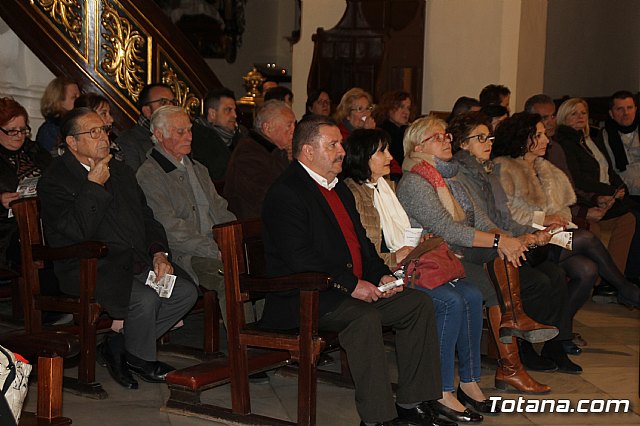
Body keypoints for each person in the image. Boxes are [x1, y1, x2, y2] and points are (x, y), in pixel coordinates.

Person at [260, 114, 452, 426]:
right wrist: (351, 284)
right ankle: (377, 418)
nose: (341, 151)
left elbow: (361, 244)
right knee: (365, 318)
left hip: (344, 287)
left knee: (417, 305)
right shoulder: (287, 193)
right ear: (308, 152)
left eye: (340, 144)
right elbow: (299, 258)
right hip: (308, 296)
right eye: (333, 145)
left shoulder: (338, 188)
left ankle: (412, 403)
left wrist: (381, 275)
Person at [396, 115, 571, 392]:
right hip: (439, 256)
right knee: (494, 282)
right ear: (417, 147)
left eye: (447, 136)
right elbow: (447, 230)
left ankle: (510, 354)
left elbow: (480, 218)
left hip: (462, 250)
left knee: (505, 258)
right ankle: (507, 363)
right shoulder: (416, 182)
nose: (446, 140)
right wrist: (499, 242)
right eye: (437, 137)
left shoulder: (449, 176)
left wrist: (504, 240)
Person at [37, 107, 198, 390]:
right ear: (72, 143)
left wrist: (159, 253)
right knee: (145, 300)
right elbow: (75, 232)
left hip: (135, 260)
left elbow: (147, 217)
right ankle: (143, 360)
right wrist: (93, 187)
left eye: (104, 130)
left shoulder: (120, 170)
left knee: (185, 292)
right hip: (90, 267)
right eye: (93, 132)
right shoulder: (54, 180)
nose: (103, 137)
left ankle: (119, 345)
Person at [342, 128, 490, 423]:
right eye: (381, 152)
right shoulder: (353, 192)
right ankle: (441, 390)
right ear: (362, 157)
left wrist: (415, 246)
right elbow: (362, 249)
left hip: (406, 263)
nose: (390, 157)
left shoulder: (387, 187)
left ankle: (469, 382)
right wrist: (392, 258)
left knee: (472, 293)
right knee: (449, 301)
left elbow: (401, 233)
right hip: (387, 270)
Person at [491, 112, 640, 313]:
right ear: (523, 138)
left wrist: (558, 222)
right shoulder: (504, 167)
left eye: (545, 134)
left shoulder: (546, 169)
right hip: (524, 237)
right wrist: (544, 220)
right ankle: (625, 288)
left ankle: (559, 335)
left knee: (587, 270)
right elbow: (508, 214)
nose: (546, 140)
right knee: (586, 238)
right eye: (539, 135)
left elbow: (563, 207)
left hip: (554, 236)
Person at [136, 105, 243, 327]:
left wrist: (236, 242)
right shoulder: (150, 174)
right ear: (159, 135)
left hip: (215, 247)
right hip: (184, 254)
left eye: (189, 130)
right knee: (231, 279)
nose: (189, 137)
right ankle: (244, 343)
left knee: (256, 268)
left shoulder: (199, 169)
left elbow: (221, 210)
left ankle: (268, 332)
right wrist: (216, 250)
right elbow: (169, 228)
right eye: (180, 132)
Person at [555, 98, 640, 284]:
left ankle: (615, 278)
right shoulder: (564, 143)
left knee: (629, 218)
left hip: (602, 194)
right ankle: (615, 280)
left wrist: (619, 188)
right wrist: (609, 191)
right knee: (630, 216)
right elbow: (578, 180)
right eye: (574, 113)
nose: (580, 117)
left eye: (583, 113)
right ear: (563, 117)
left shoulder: (589, 140)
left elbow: (607, 169)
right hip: (585, 200)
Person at [0, 97, 51, 269]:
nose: (19, 136)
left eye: (23, 130)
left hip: (45, 221)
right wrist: (0, 201)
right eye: (12, 131)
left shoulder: (35, 151)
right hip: (8, 232)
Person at [223, 100, 295, 220]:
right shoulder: (247, 154)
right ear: (267, 128)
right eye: (289, 125)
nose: (293, 131)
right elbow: (268, 197)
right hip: (253, 225)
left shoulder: (276, 150)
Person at [117, 83, 178, 171]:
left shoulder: (179, 137)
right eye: (163, 102)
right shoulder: (128, 141)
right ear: (147, 111)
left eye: (173, 102)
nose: (171, 107)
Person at [190, 88, 237, 180]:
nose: (235, 115)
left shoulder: (239, 137)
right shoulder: (196, 140)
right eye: (228, 110)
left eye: (234, 110)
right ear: (212, 114)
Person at [601, 91, 640, 201]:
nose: (626, 113)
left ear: (635, 109)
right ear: (611, 113)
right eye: (620, 109)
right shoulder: (603, 137)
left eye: (630, 108)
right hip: (625, 191)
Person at [373, 91, 413, 181]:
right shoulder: (382, 132)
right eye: (401, 107)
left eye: (408, 108)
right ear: (389, 108)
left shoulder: (407, 130)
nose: (406, 112)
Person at [74, 92, 124, 162]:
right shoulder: (74, 150)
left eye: (109, 113)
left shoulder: (114, 148)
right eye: (103, 114)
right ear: (86, 117)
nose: (111, 119)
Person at [36, 76, 80, 154]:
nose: (79, 101)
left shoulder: (78, 124)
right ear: (59, 101)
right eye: (74, 97)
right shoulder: (49, 130)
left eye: (79, 97)